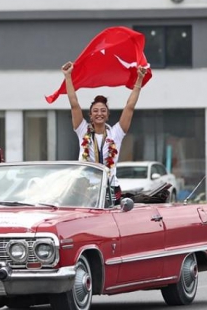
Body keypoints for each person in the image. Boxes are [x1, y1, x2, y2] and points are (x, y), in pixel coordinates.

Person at [62, 61, 147, 205]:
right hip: (86, 187)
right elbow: (74, 103)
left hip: (110, 187)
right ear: (90, 115)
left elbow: (130, 107)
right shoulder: (83, 131)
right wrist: (68, 76)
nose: (99, 114)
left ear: (107, 115)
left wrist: (139, 79)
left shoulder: (116, 134)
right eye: (95, 111)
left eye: (103, 111)